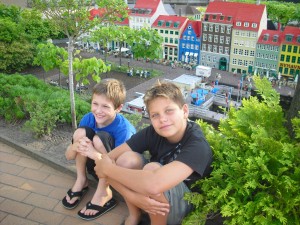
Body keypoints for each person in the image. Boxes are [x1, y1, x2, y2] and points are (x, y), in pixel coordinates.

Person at [78, 80, 213, 225]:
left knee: (152, 170)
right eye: (155, 115)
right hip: (155, 193)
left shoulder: (197, 145)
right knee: (127, 160)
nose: (162, 119)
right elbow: (103, 164)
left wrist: (109, 169)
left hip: (186, 203)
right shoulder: (153, 132)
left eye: (169, 111)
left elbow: (154, 184)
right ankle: (135, 216)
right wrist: (134, 197)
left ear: (185, 111)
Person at [62, 79, 136, 221]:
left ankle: (104, 192)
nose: (98, 111)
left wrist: (94, 154)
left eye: (105, 106)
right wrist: (75, 146)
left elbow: (120, 166)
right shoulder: (89, 119)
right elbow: (69, 156)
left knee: (98, 138)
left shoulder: (124, 130)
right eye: (95, 104)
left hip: (113, 172)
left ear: (118, 108)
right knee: (81, 133)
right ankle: (81, 180)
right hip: (94, 167)